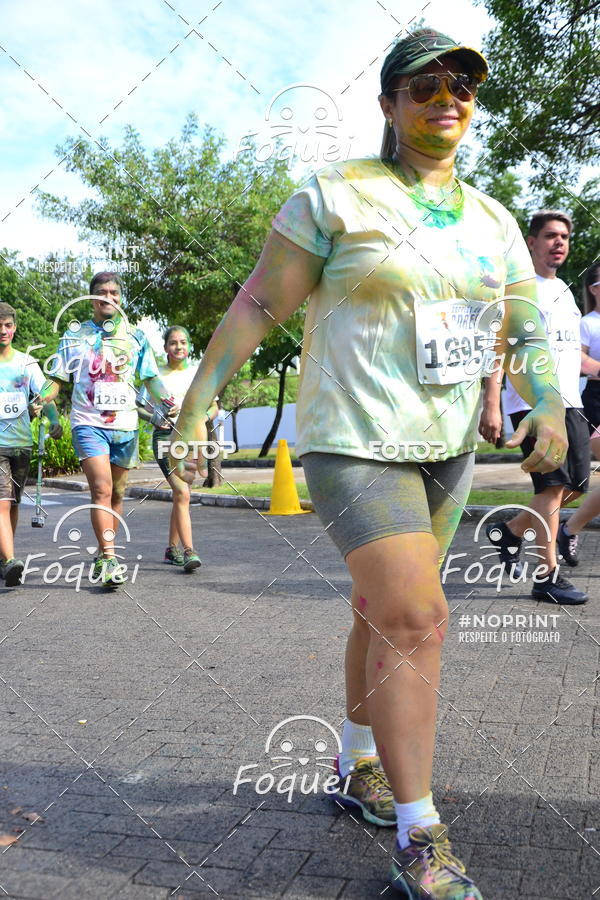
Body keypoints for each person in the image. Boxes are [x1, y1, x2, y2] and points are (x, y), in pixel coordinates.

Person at [170, 29, 567, 898]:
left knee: (379, 610)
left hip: (447, 443)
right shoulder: (336, 194)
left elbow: (527, 327)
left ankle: (359, 768)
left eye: (462, 84)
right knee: (419, 615)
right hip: (350, 437)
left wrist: (545, 400)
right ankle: (421, 836)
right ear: (389, 104)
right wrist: (198, 405)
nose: (446, 97)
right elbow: (260, 300)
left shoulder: (494, 218)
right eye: (423, 84)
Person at [481, 211, 589, 604]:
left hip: (569, 403)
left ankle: (510, 531)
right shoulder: (519, 289)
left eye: (563, 237)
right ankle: (547, 577)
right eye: (549, 236)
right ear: (531, 243)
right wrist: (491, 401)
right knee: (553, 485)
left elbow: (570, 350)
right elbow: (499, 346)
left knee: (573, 488)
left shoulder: (563, 289)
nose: (558, 243)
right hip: (529, 403)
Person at [43, 273, 176, 586]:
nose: (108, 298)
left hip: (125, 426)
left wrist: (168, 399)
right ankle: (110, 557)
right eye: (101, 293)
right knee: (101, 490)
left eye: (114, 293)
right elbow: (57, 380)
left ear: (120, 298)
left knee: (117, 494)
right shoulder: (74, 336)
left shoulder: (137, 338)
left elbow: (150, 378)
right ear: (91, 299)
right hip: (88, 423)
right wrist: (43, 396)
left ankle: (104, 554)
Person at [137, 325, 216, 572]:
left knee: (180, 495)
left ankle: (172, 549)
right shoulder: (155, 376)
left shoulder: (198, 374)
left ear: (189, 346)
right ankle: (189, 551)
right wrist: (155, 418)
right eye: (173, 343)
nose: (178, 347)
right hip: (164, 438)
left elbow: (214, 406)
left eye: (183, 342)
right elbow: (139, 406)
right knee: (182, 493)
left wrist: (202, 418)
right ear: (165, 348)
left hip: (191, 439)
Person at [0, 302, 62, 585]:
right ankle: (11, 559)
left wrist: (53, 419)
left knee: (12, 504)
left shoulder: (26, 363)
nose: (3, 331)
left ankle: (4, 558)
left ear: (14, 328)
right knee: (1, 502)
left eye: (8, 325)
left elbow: (45, 392)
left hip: (22, 444)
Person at [556, 263, 600, 553]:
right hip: (597, 398)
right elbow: (580, 361)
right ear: (594, 288)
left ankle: (564, 527)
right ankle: (550, 521)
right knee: (575, 483)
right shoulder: (587, 323)